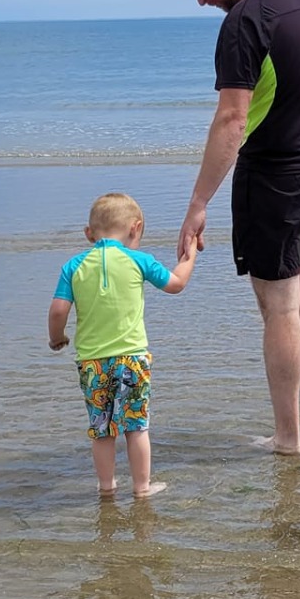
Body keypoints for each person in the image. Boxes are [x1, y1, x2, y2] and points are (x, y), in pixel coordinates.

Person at [173, 0, 300, 456]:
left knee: (282, 309)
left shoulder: (245, 22)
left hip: (273, 181)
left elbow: (232, 119)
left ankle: (288, 437)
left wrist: (198, 203)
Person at [48, 192, 196, 499]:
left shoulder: (73, 266)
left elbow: (58, 310)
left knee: (101, 428)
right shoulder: (139, 260)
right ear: (135, 227)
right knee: (136, 426)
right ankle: (142, 487)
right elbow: (176, 284)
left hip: (92, 362)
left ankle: (106, 487)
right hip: (132, 359)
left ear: (89, 233)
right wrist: (189, 256)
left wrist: (57, 338)